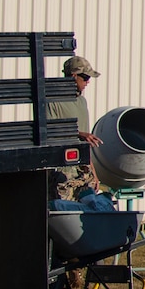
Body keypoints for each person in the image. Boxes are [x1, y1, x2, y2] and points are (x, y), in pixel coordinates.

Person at [47, 54, 104, 203]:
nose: (88, 82)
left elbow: (87, 143)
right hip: (65, 172)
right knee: (64, 211)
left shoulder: (82, 102)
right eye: (85, 77)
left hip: (84, 172)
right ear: (73, 76)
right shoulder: (53, 101)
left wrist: (93, 172)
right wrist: (79, 134)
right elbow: (49, 133)